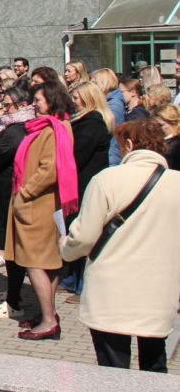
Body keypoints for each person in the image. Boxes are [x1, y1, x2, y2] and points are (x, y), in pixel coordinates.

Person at [60, 120, 180, 372]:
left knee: (112, 369)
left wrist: (65, 247)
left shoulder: (107, 180)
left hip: (111, 289)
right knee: (154, 363)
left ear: (129, 144)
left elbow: (84, 237)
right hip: (159, 288)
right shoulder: (176, 183)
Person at [5, 80, 78, 341]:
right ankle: (49, 314)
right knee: (43, 263)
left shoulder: (55, 129)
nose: (33, 104)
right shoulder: (46, 127)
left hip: (38, 205)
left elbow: (49, 169)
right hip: (35, 204)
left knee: (35, 263)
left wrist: (26, 193)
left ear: (52, 99)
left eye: (38, 100)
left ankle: (48, 320)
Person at [0, 85, 35, 321]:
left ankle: (15, 301)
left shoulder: (19, 128)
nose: (5, 110)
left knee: (11, 248)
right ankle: (14, 292)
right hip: (0, 189)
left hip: (6, 190)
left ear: (23, 105)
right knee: (8, 246)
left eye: (9, 106)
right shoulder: (10, 124)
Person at [62, 81, 113, 299]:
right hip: (80, 182)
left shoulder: (92, 124)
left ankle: (82, 284)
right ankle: (72, 279)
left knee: (85, 232)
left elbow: (78, 155)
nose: (73, 101)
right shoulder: (83, 121)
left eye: (76, 97)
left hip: (86, 184)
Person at [151, 103, 180, 169]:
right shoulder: (161, 142)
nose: (157, 129)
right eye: (154, 126)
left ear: (174, 122)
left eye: (161, 125)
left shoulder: (176, 145)